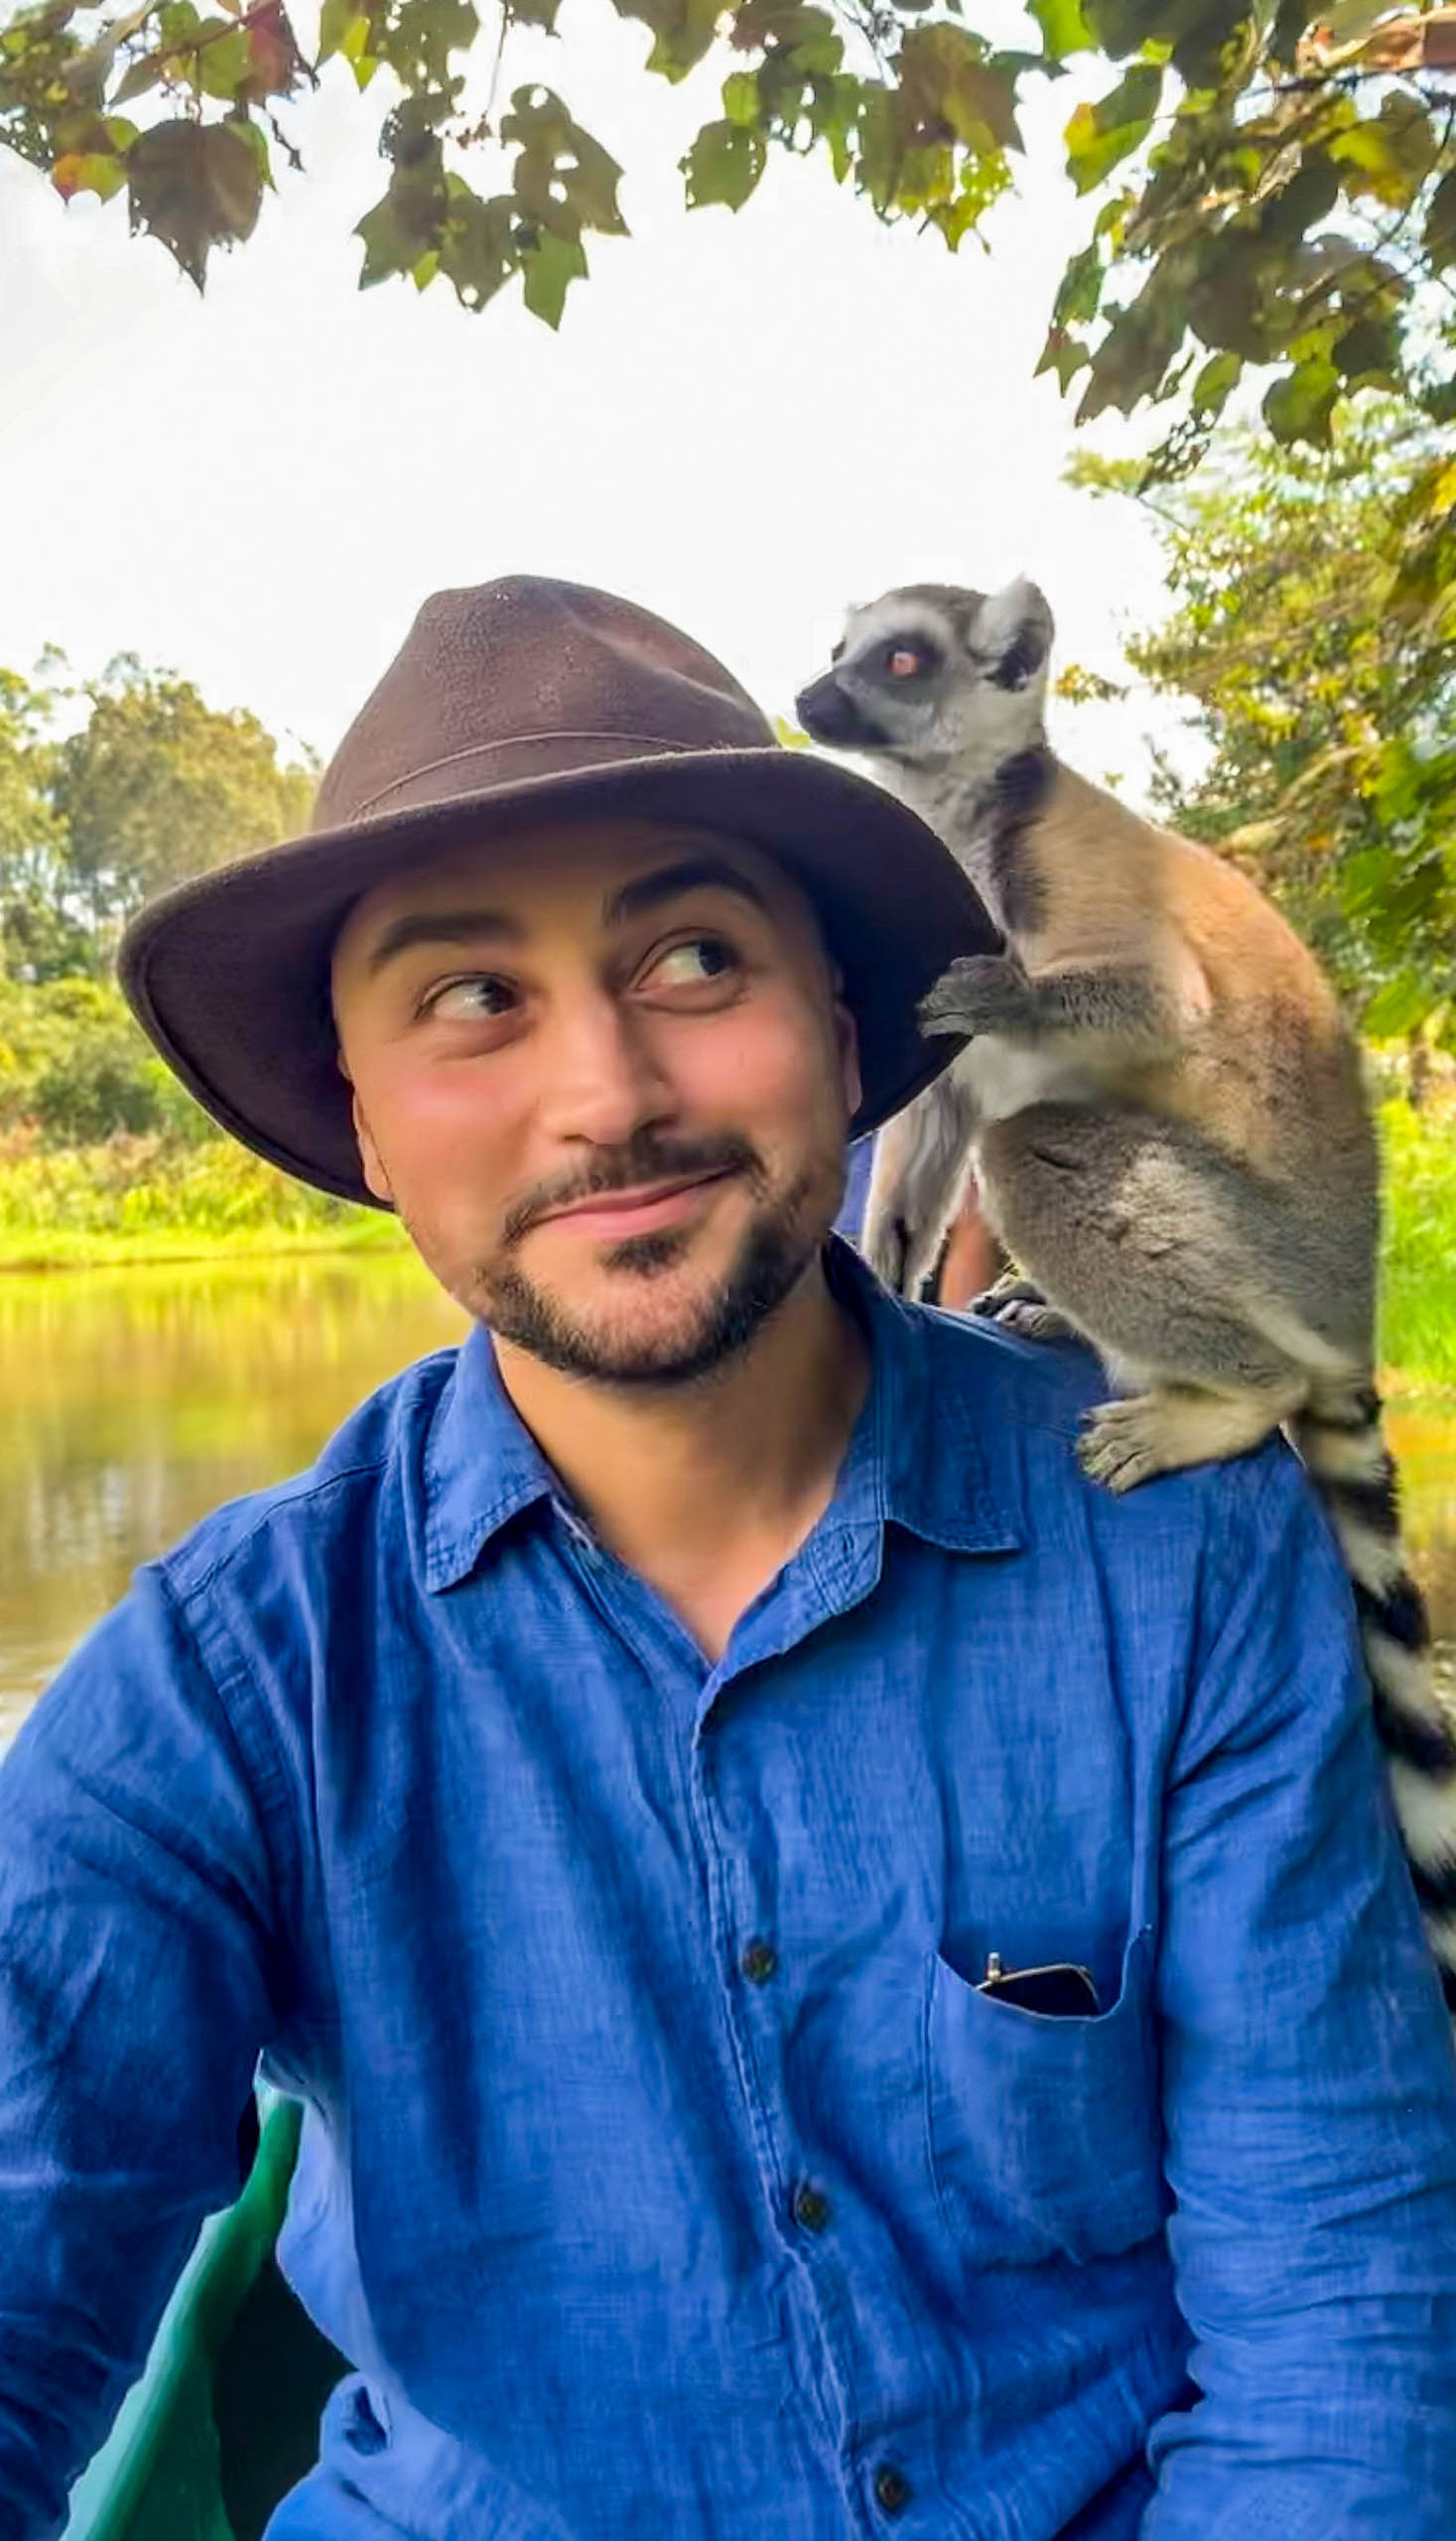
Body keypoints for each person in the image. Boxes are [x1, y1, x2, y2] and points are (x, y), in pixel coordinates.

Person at [2, 576, 1455, 2541]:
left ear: (840, 1026)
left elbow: (1337, 2325)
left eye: (690, 953)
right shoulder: (223, 1685)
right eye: (467, 998)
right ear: (359, 1110)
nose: (606, 1096)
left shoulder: (1181, 1551)